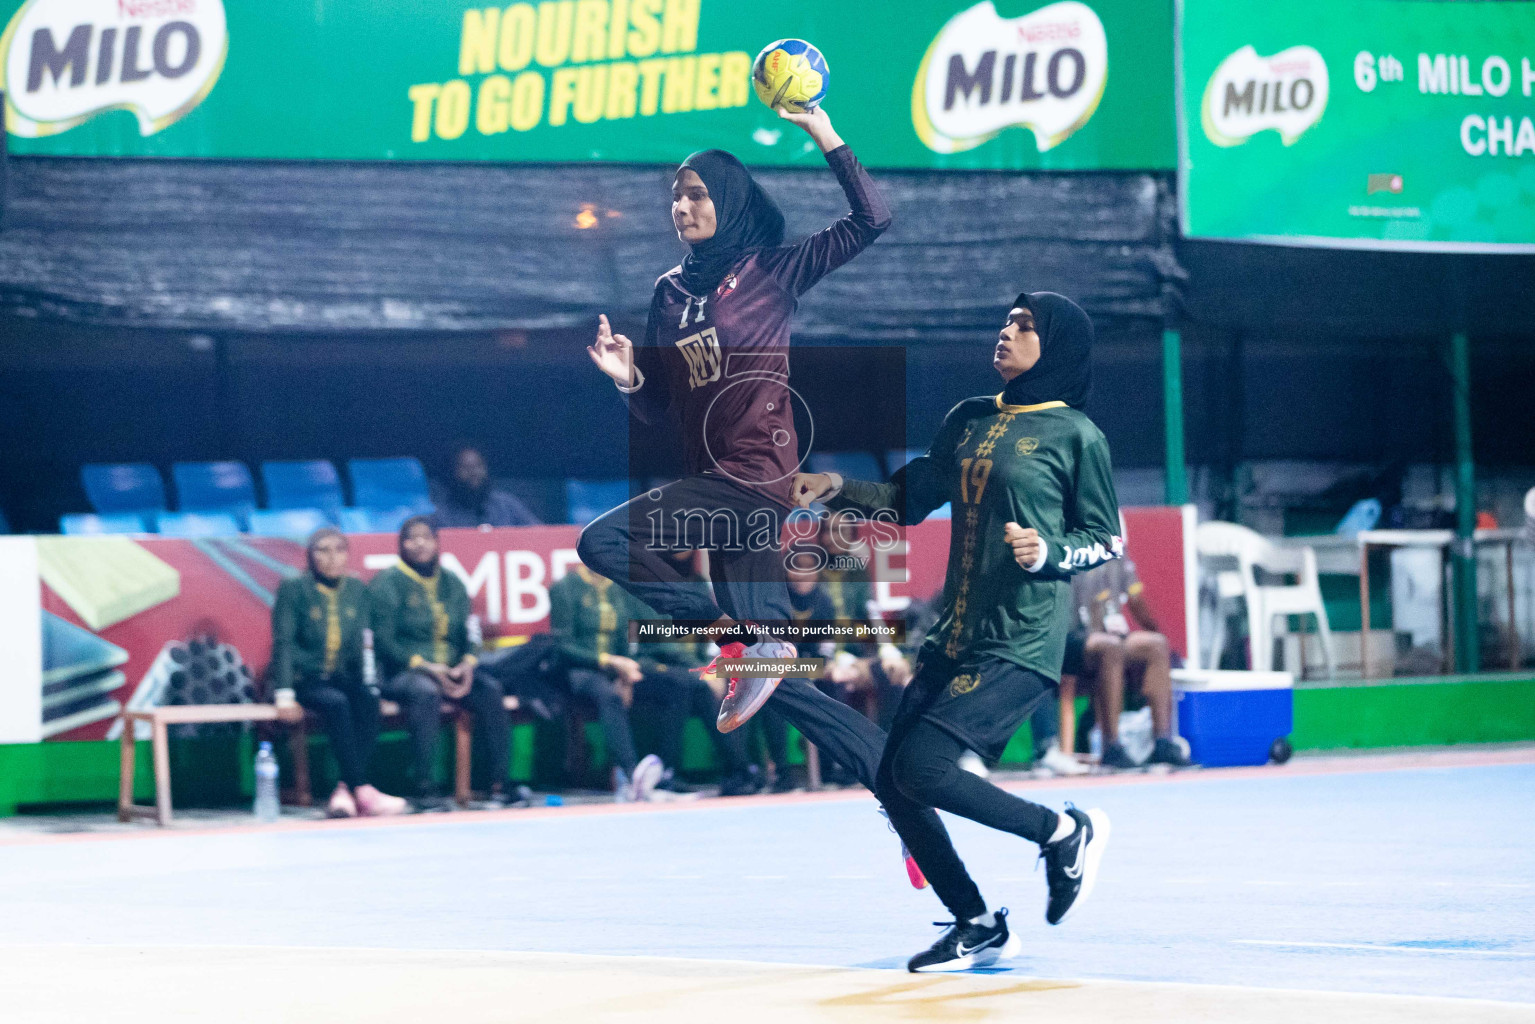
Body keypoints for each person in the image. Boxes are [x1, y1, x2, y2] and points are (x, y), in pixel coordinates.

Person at [792, 291, 1122, 972]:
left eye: (1024, 327)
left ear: (1054, 347)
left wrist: (1048, 551)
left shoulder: (1076, 436)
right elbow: (910, 500)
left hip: (1021, 639)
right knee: (893, 781)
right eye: (1004, 321)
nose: (1005, 332)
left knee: (922, 769)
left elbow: (1103, 537)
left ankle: (1061, 831)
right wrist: (834, 487)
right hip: (953, 635)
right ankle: (976, 922)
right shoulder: (968, 419)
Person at [576, 105, 894, 797]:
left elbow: (871, 220)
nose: (681, 206)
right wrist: (627, 375)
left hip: (753, 479)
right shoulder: (669, 291)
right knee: (772, 680)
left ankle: (740, 641)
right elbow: (661, 400)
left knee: (602, 543)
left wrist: (822, 132)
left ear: (728, 201)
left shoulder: (772, 271)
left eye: (696, 194)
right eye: (675, 195)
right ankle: (895, 778)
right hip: (714, 490)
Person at [369, 517, 518, 807]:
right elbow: (383, 641)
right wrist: (425, 666)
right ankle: (423, 785)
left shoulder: (453, 582)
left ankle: (499, 783)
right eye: (411, 538)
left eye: (426, 537)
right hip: (404, 671)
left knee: (490, 689)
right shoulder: (387, 583)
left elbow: (471, 631)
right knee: (425, 692)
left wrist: (468, 662)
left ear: (437, 542)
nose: (419, 543)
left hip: (453, 670)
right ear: (401, 545)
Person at [270, 528, 407, 818]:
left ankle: (345, 790)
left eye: (338, 550)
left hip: (343, 676)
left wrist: (370, 683)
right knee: (336, 704)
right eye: (323, 550)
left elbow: (366, 642)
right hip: (304, 679)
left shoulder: (358, 590)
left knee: (369, 698)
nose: (332, 557)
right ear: (310, 555)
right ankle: (363, 789)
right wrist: (283, 695)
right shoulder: (294, 589)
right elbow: (283, 643)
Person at [547, 563, 666, 801]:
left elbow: (625, 638)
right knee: (608, 695)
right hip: (577, 670)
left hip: (617, 668)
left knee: (678, 685)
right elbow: (562, 646)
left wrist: (627, 676)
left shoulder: (617, 589)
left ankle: (668, 773)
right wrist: (608, 661)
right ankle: (631, 775)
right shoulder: (565, 588)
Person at [1071, 557, 1190, 769]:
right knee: (1111, 647)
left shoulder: (1117, 553)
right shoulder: (1074, 546)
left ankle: (1162, 742)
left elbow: (1135, 599)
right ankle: (1111, 745)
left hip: (1111, 636)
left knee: (1157, 645)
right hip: (1075, 635)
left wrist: (1154, 630)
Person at [430, 444, 540, 528]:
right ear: (452, 472)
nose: (474, 472)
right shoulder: (442, 514)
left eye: (478, 465)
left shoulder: (506, 505)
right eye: (465, 467)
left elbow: (539, 533)